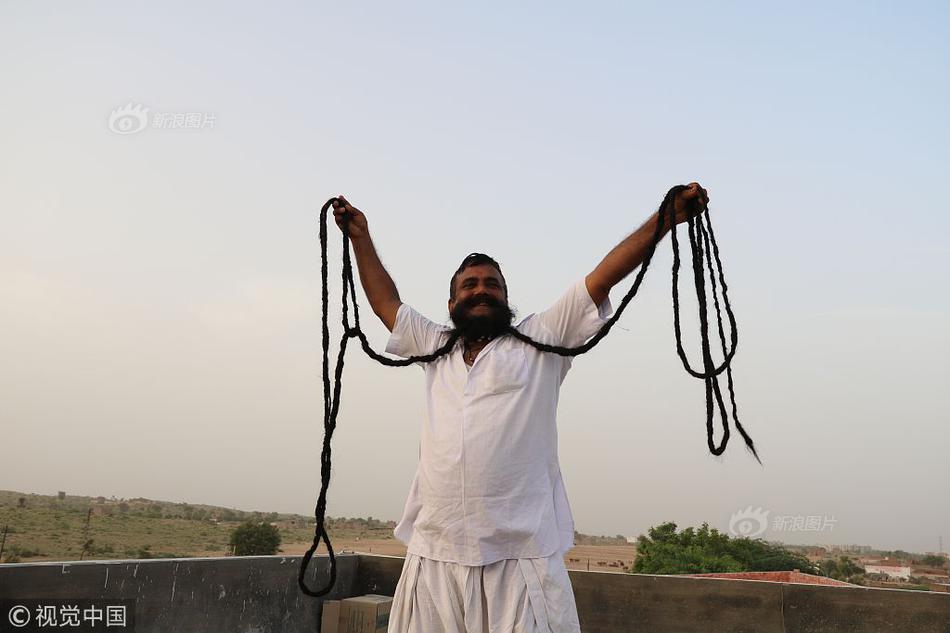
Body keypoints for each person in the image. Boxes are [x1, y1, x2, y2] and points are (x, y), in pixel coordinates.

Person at [331, 184, 709, 633]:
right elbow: (386, 304)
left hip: (521, 559)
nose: (481, 291)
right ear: (452, 304)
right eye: (469, 285)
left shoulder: (541, 341)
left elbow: (601, 280)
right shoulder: (436, 348)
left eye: (492, 284)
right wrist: (360, 238)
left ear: (506, 300)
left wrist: (664, 219)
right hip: (435, 552)